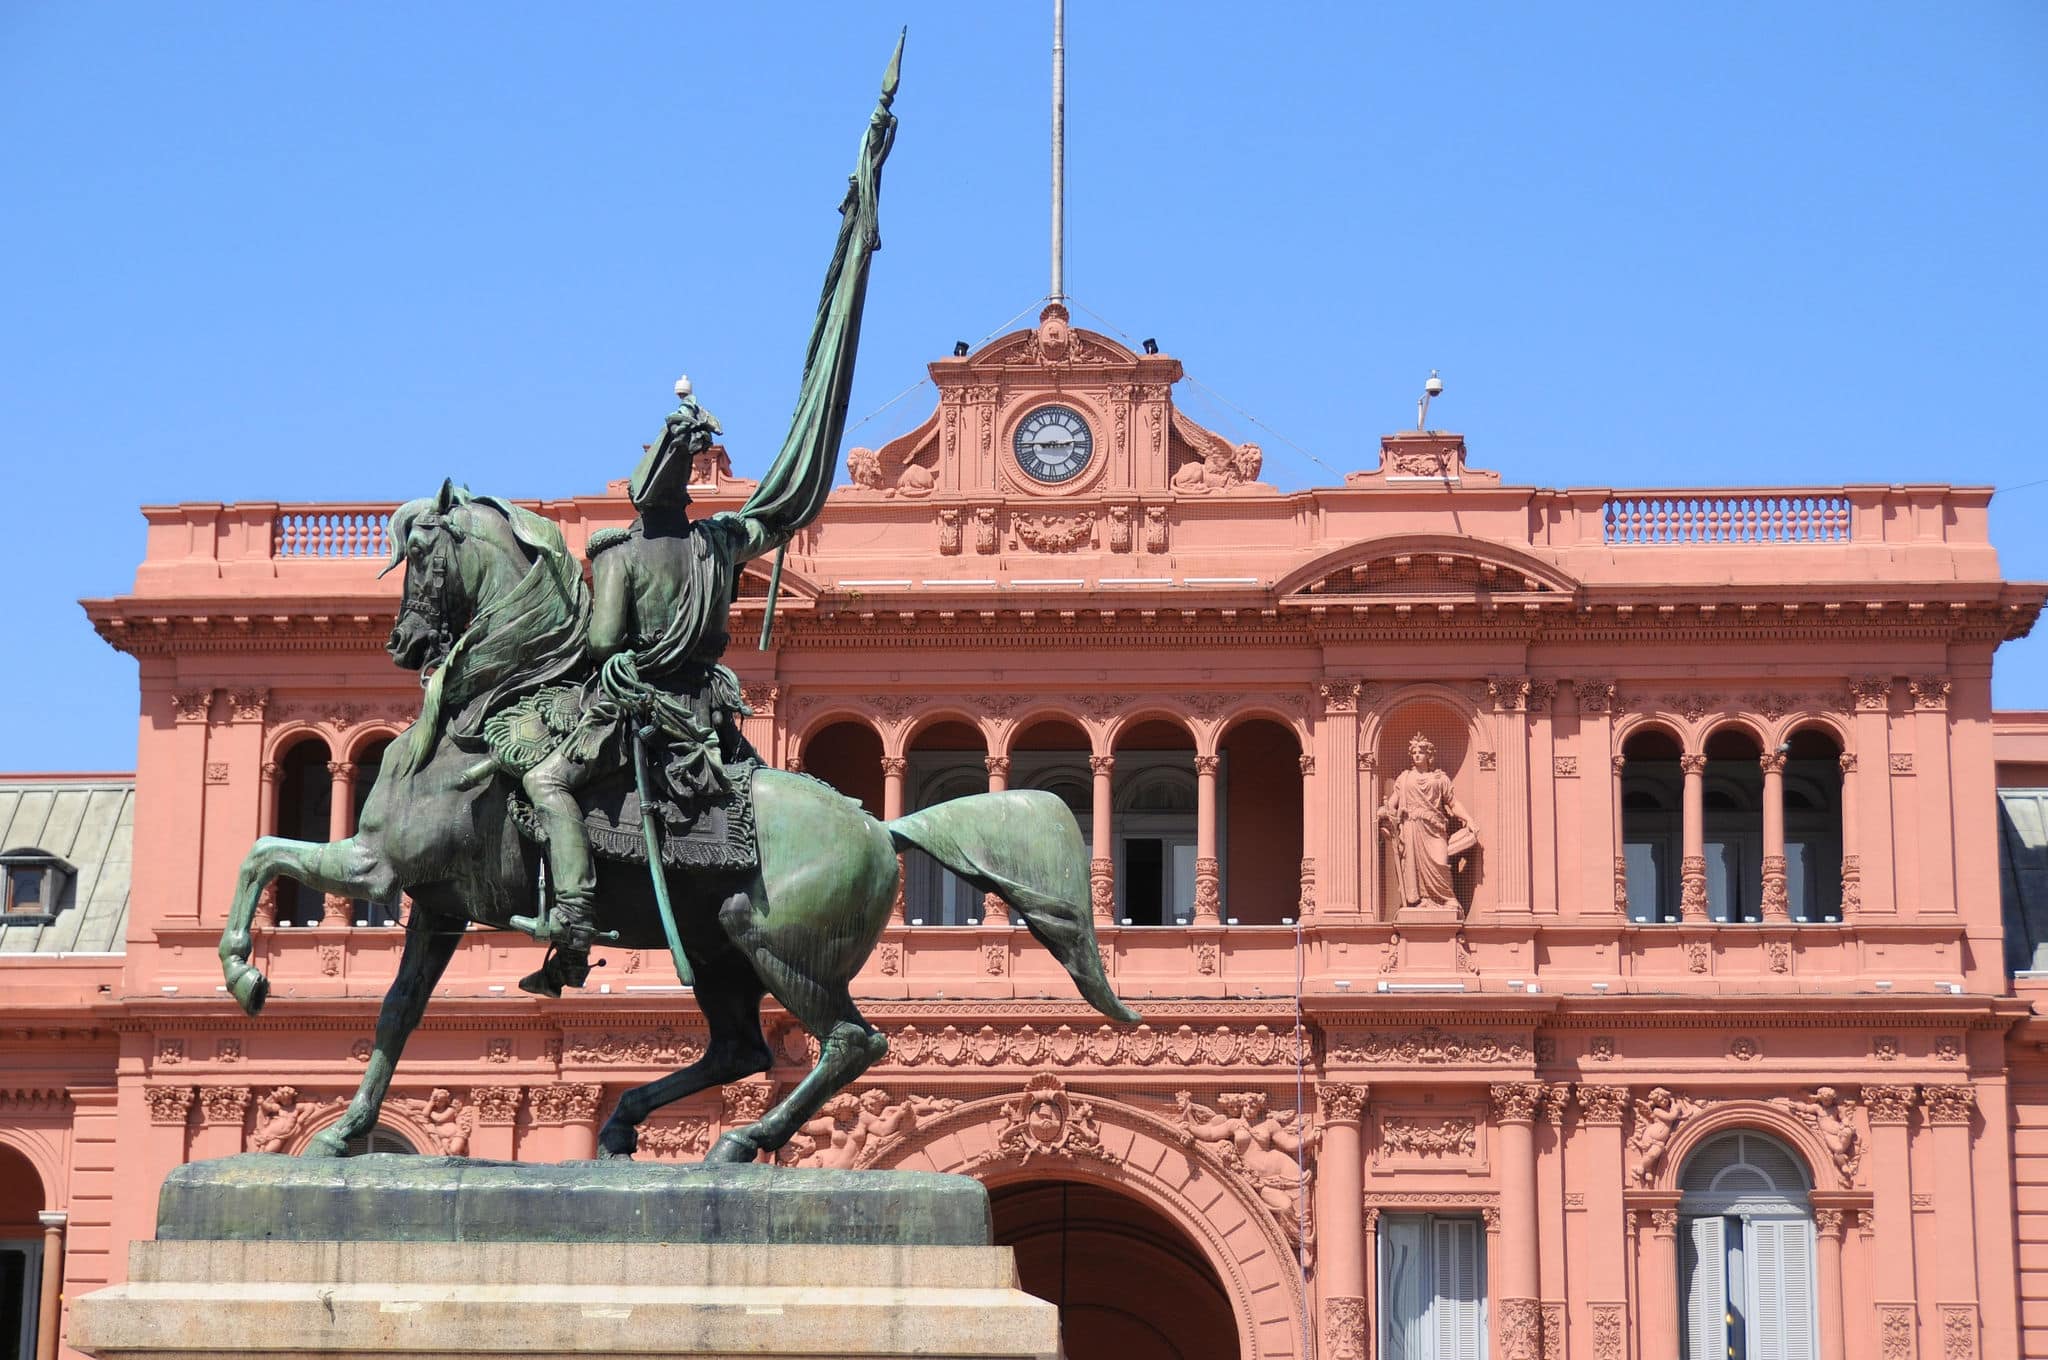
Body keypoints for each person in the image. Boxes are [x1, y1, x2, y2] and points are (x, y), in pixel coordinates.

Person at [515, 377, 782, 998]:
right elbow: (776, 517)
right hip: (705, 709)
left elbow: (605, 642)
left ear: (638, 496)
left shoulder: (620, 554)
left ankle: (575, 924)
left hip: (638, 709)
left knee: (544, 779)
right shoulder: (718, 545)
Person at [1375, 732, 1477, 911]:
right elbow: (1392, 804)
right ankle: (1419, 900)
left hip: (1435, 828)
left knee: (1440, 863)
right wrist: (1384, 812)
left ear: (1429, 755)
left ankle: (1447, 898)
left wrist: (1469, 820)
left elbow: (1453, 803)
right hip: (1412, 827)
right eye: (1414, 752)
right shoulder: (1405, 778)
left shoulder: (1439, 779)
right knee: (1413, 867)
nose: (1416, 755)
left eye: (1421, 752)